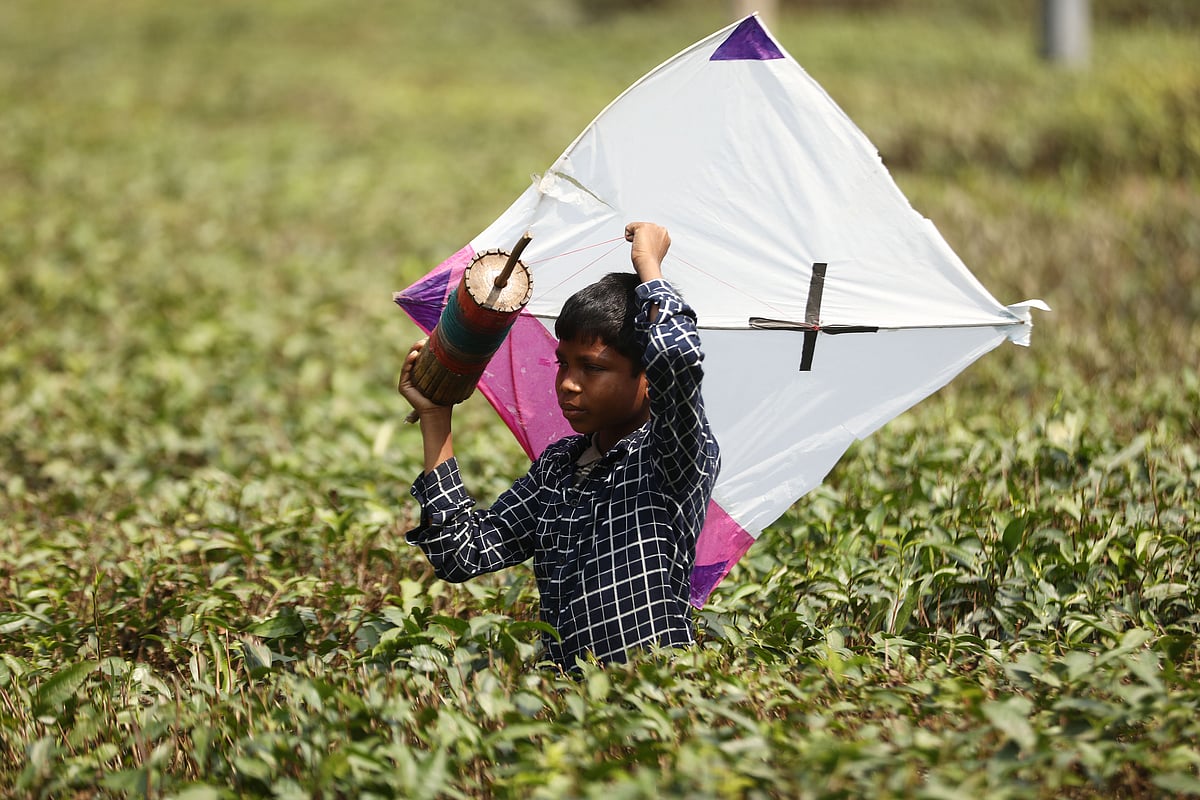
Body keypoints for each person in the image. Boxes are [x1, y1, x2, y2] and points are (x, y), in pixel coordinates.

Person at [398, 221, 720, 668]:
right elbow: (462, 553)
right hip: (571, 702)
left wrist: (649, 268)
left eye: (592, 368)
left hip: (654, 695)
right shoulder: (559, 468)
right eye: (562, 363)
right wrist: (436, 417)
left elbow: (678, 358)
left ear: (647, 376)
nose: (568, 384)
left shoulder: (673, 453)